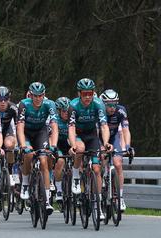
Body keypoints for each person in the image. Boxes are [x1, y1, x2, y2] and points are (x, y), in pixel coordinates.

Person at [68, 78, 113, 220]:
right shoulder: (73, 105)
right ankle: (76, 175)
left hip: (92, 135)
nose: (88, 96)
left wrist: (106, 143)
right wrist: (73, 144)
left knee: (96, 169)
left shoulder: (98, 104)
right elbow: (71, 127)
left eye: (90, 93)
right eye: (84, 94)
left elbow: (104, 125)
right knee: (80, 149)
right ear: (79, 94)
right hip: (78, 135)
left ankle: (98, 206)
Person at [17, 82, 58, 214]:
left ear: (44, 95)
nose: (38, 98)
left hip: (41, 132)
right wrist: (23, 145)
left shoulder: (49, 104)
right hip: (27, 133)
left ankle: (46, 200)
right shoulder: (24, 104)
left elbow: (54, 126)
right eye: (35, 96)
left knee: (44, 160)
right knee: (28, 155)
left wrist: (54, 145)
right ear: (30, 95)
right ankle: (25, 183)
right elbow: (20, 126)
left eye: (40, 95)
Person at [100, 89, 132, 211]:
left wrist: (127, 146)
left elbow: (125, 130)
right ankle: (103, 175)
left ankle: (120, 197)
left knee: (118, 163)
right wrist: (104, 145)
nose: (112, 107)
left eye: (114, 104)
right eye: (109, 105)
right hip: (99, 137)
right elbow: (97, 130)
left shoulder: (121, 110)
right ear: (103, 104)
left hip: (114, 138)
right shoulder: (99, 110)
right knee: (102, 156)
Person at [0, 86, 18, 184]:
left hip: (7, 130)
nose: (3, 102)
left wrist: (18, 142)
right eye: (0, 99)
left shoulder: (13, 108)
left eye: (5, 99)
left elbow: (18, 126)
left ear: (9, 99)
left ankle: (11, 173)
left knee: (9, 145)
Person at [52, 97, 71, 202]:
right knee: (60, 161)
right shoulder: (55, 120)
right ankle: (59, 189)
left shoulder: (73, 119)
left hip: (69, 144)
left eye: (68, 111)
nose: (66, 113)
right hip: (58, 144)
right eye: (64, 111)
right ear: (58, 111)